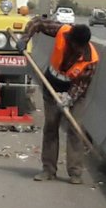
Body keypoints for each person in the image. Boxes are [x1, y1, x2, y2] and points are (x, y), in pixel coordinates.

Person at [16, 16, 99, 184]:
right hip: (51, 85)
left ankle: (75, 172)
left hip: (74, 93)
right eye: (74, 45)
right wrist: (25, 38)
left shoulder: (90, 59)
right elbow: (37, 23)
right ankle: (48, 169)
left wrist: (68, 99)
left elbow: (81, 86)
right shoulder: (63, 31)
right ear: (71, 40)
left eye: (80, 47)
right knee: (51, 127)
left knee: (75, 130)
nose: (76, 49)